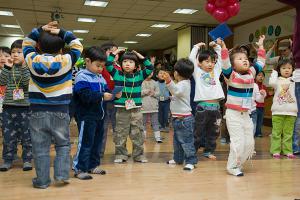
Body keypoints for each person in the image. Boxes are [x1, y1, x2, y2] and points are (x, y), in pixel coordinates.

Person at [22, 21, 83, 188]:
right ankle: (62, 175)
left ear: (39, 46)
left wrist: (41, 30)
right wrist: (61, 31)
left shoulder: (32, 59)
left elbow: (26, 42)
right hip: (61, 111)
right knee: (62, 144)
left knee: (40, 147)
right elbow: (77, 45)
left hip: (37, 112)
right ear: (62, 48)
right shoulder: (66, 60)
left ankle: (42, 181)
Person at [72, 46, 121, 180]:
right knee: (85, 143)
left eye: (102, 66)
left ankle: (93, 165)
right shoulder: (81, 76)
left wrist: (114, 95)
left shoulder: (101, 78)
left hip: (100, 116)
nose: (100, 69)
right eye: (98, 65)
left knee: (97, 142)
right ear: (87, 61)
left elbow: (106, 94)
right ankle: (80, 168)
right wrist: (101, 95)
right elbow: (84, 95)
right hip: (87, 116)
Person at [220, 35, 266, 176]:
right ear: (233, 65)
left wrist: (261, 46)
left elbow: (261, 62)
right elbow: (225, 64)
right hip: (233, 115)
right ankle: (232, 166)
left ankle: (238, 163)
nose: (244, 60)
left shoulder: (251, 73)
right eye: (240, 59)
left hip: (247, 114)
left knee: (249, 143)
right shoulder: (232, 74)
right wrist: (223, 49)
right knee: (238, 142)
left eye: (245, 58)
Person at [106, 49, 153, 163]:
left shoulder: (139, 75)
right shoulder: (117, 74)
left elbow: (150, 67)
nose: (127, 64)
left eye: (131, 62)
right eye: (125, 61)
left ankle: (138, 155)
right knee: (120, 132)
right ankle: (121, 154)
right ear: (121, 64)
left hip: (136, 110)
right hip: (121, 110)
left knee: (138, 133)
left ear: (136, 65)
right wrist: (115, 52)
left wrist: (139, 55)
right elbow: (107, 64)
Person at [0, 40, 32, 172]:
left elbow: (26, 84)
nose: (15, 55)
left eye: (19, 52)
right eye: (13, 52)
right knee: (8, 137)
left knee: (27, 136)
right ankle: (8, 160)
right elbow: (1, 82)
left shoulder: (28, 69)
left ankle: (27, 160)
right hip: (8, 107)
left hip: (25, 108)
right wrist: (7, 67)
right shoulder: (8, 68)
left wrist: (24, 66)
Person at [189, 40, 223, 160]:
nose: (210, 64)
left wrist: (217, 47)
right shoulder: (197, 72)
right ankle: (192, 151)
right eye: (207, 61)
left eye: (212, 62)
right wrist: (196, 47)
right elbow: (191, 59)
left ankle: (208, 151)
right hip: (202, 108)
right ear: (200, 63)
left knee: (214, 132)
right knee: (198, 132)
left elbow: (221, 60)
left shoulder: (216, 71)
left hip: (216, 108)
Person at [162, 58, 198, 170]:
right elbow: (178, 95)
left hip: (184, 120)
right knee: (177, 141)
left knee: (187, 142)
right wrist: (173, 97)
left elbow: (176, 91)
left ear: (176, 73)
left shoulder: (183, 84)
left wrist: (168, 81)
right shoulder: (183, 83)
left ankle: (191, 161)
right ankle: (177, 158)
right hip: (178, 119)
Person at [269, 59, 297, 159]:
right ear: (279, 69)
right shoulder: (276, 80)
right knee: (276, 133)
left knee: (288, 133)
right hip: (277, 111)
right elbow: (271, 83)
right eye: (283, 68)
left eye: (289, 68)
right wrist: (274, 73)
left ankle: (288, 151)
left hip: (291, 112)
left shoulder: (294, 80)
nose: (286, 70)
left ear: (292, 70)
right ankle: (275, 150)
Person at [141, 72, 162, 143]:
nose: (150, 73)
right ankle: (143, 138)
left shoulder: (155, 83)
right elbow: (137, 93)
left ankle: (158, 138)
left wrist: (154, 94)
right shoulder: (141, 82)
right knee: (143, 123)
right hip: (143, 106)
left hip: (154, 107)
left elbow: (159, 93)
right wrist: (145, 92)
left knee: (155, 122)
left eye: (152, 72)